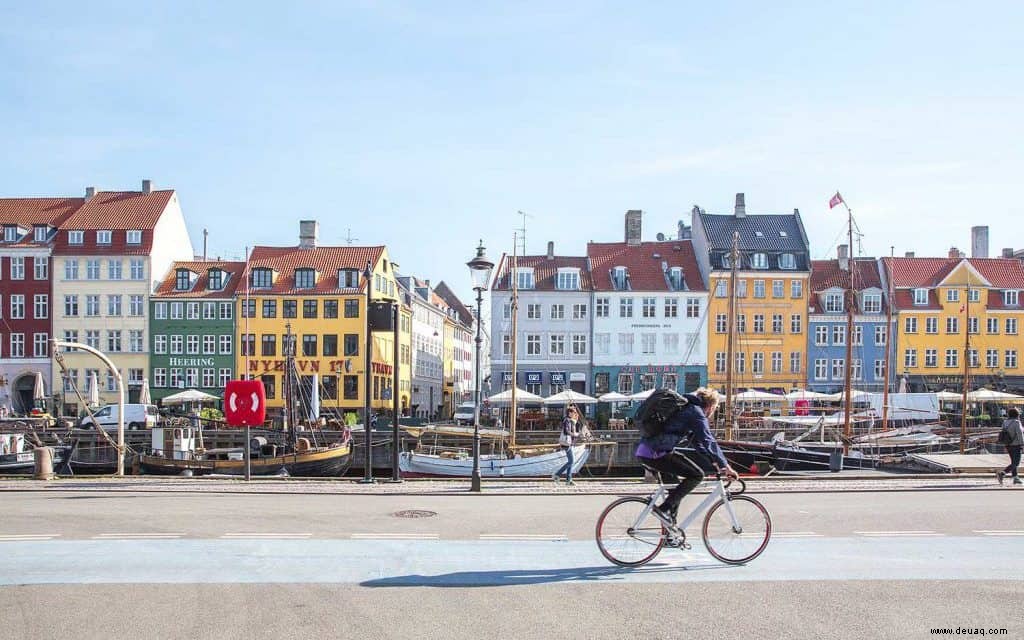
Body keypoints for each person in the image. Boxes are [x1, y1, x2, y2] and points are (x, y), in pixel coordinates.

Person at [635, 387, 738, 525]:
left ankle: (670, 535)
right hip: (656, 453)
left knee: (674, 491)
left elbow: (698, 442)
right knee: (696, 475)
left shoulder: (686, 408)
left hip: (648, 451)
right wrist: (725, 466)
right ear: (711, 406)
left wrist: (714, 462)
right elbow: (708, 441)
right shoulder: (696, 413)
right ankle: (662, 510)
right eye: (714, 408)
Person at [552, 405, 582, 485]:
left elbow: (577, 430)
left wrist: (577, 421)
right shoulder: (566, 420)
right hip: (566, 443)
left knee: (570, 461)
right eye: (574, 412)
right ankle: (557, 474)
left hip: (569, 443)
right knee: (571, 461)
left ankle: (568, 480)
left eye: (575, 413)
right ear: (569, 413)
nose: (575, 414)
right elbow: (566, 431)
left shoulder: (571, 421)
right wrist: (574, 434)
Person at [997, 407, 1023, 485]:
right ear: (1017, 414)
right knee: (1016, 463)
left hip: (1008, 444)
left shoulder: (1005, 422)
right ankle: (1002, 473)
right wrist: (1022, 444)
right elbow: (1020, 434)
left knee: (1013, 462)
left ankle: (1015, 478)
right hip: (1016, 445)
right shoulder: (1016, 422)